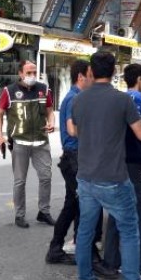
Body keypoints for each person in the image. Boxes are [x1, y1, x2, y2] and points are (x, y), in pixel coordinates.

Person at [68, 51, 141, 280]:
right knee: (129, 230)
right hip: (114, 178)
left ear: (92, 72)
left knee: (85, 232)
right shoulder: (122, 100)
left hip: (85, 177)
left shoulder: (79, 100)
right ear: (114, 71)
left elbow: (73, 131)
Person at [96, 63, 141, 280]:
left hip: (116, 162)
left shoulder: (119, 98)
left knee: (116, 213)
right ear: (140, 79)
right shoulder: (137, 99)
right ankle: (136, 265)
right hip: (131, 164)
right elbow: (139, 133)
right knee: (139, 214)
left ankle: (111, 262)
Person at [45, 60, 101, 264]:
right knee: (84, 204)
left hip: (76, 157)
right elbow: (71, 130)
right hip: (74, 158)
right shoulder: (74, 99)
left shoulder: (78, 97)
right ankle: (84, 251)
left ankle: (60, 248)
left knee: (73, 205)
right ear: (81, 77)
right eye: (91, 76)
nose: (93, 80)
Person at [0, 60, 56, 228]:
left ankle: (44, 211)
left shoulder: (44, 89)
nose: (32, 76)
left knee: (46, 176)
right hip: (20, 142)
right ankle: (19, 215)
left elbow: (50, 111)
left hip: (41, 142)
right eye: (28, 73)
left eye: (34, 72)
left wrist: (51, 122)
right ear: (20, 74)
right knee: (20, 181)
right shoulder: (9, 91)